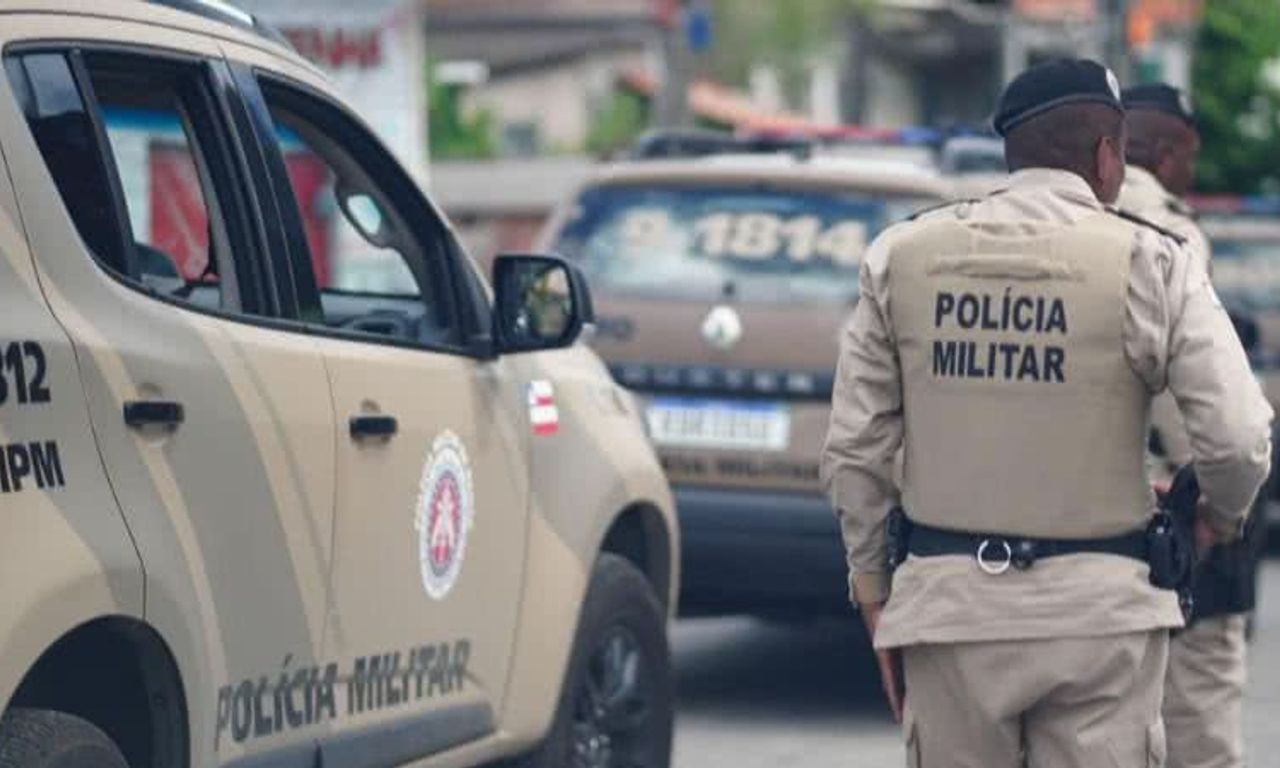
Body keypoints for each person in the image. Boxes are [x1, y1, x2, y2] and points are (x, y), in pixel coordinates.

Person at [821, 58, 1273, 767]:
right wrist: (1220, 515)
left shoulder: (902, 256)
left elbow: (854, 452)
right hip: (1102, 621)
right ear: (1105, 154)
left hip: (951, 611)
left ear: (1013, 152)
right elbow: (1241, 437)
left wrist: (876, 593)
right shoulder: (1154, 260)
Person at [1121, 82, 1258, 768]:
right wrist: (1220, 510)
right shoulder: (1171, 231)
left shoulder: (1056, 217)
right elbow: (1202, 405)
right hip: (1168, 513)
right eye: (1191, 159)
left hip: (1064, 530)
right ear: (1166, 153)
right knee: (1196, 719)